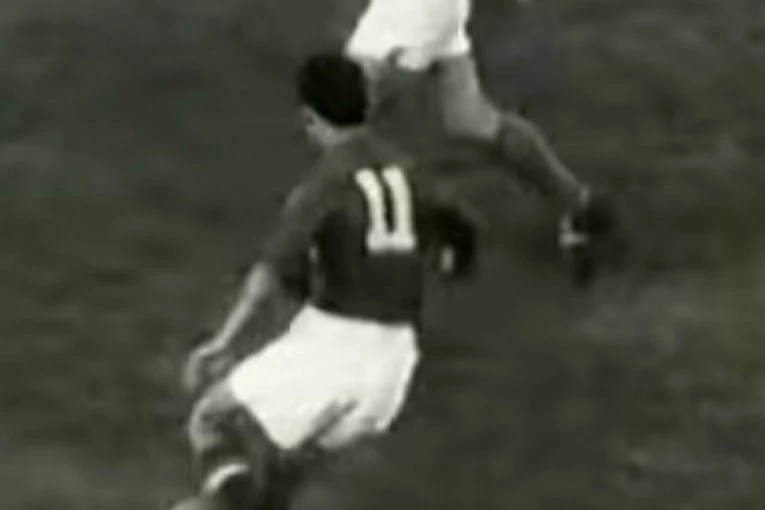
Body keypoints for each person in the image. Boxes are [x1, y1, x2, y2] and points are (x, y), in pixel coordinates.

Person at [171, 52, 479, 510]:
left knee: (210, 420)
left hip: (337, 345)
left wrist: (223, 341)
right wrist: (454, 261)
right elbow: (459, 227)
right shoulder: (406, 169)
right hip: (394, 364)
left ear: (311, 119)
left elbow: (271, 271)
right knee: (282, 473)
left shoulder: (327, 182)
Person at [343, 0, 614, 283]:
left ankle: (446, 225)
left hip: (415, 18)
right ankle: (579, 204)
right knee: (469, 122)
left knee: (356, 122)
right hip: (422, 15)